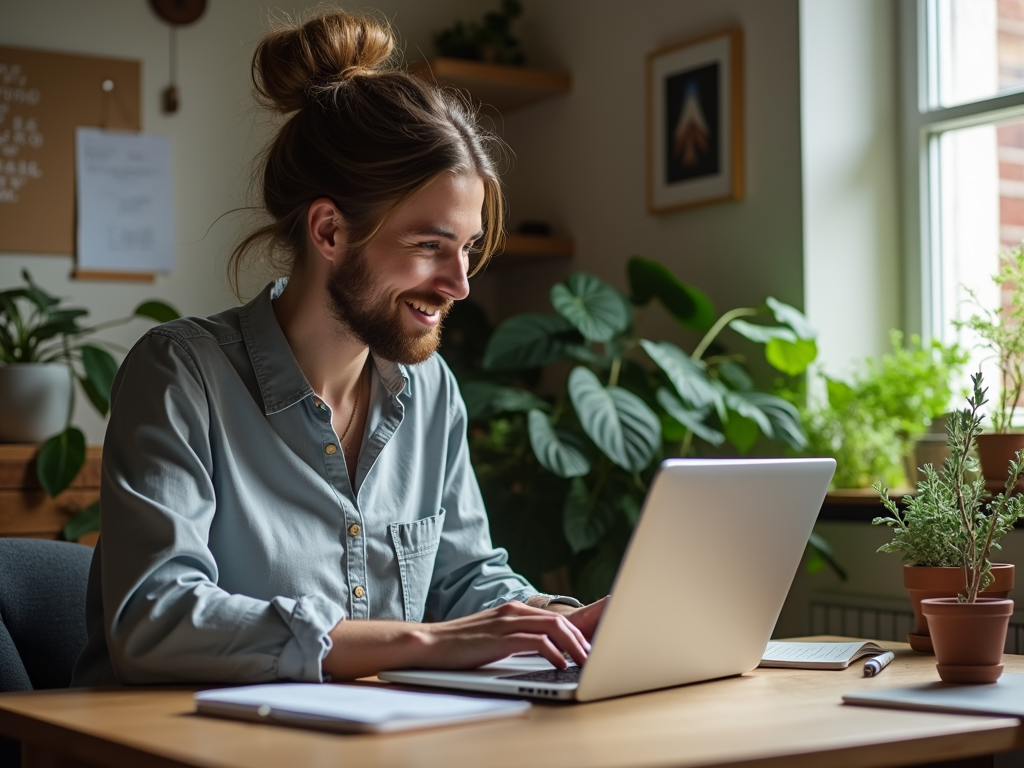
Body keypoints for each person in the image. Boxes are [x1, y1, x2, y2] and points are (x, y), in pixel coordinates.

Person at [71, 8, 605, 687]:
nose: (460, 284)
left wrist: (568, 622)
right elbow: (158, 618)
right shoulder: (182, 376)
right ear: (329, 231)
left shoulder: (430, 388)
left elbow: (464, 580)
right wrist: (420, 641)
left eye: (468, 249)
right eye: (429, 247)